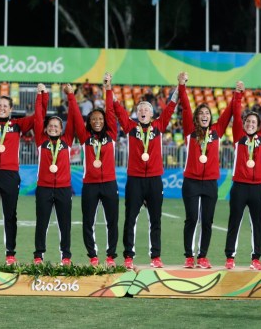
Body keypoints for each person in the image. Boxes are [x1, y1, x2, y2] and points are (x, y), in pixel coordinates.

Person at [0, 62, 47, 266]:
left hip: (9, 175)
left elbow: (39, 117)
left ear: (11, 109)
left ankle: (10, 254)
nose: (1, 108)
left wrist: (41, 96)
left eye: (5, 106)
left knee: (10, 216)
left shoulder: (17, 126)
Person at [112, 76, 179, 269]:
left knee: (155, 219)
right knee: (130, 218)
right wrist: (109, 88)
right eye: (140, 109)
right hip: (134, 179)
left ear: (152, 113)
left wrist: (180, 86)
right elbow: (117, 109)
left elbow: (171, 106)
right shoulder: (130, 127)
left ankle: (155, 256)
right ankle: (128, 256)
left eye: (146, 109)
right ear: (136, 113)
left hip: (154, 180)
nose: (143, 111)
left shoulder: (158, 126)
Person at [177, 72, 234, 269]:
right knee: (192, 218)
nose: (204, 116)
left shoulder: (217, 131)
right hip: (191, 182)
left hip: (210, 182)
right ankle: (188, 256)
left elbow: (229, 111)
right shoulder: (189, 132)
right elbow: (185, 106)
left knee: (207, 221)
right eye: (201, 114)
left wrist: (238, 93)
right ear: (196, 117)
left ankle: (202, 256)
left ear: (211, 118)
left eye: (207, 114)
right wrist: (182, 85)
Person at [68, 73, 119, 267]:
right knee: (88, 222)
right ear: (89, 122)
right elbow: (74, 113)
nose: (97, 121)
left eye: (100, 118)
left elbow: (111, 112)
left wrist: (108, 88)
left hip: (109, 183)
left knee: (111, 221)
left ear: (105, 121)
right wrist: (71, 96)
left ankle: (110, 256)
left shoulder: (112, 135)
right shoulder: (84, 137)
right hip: (89, 184)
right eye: (94, 119)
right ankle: (93, 256)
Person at [225, 81, 261, 271]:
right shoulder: (239, 137)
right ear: (244, 124)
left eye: (254, 122)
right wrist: (238, 93)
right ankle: (230, 257)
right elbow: (236, 114)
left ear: (258, 125)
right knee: (234, 221)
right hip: (239, 186)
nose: (250, 124)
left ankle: (256, 258)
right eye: (248, 122)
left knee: (257, 224)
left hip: (258, 187)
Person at [33, 83, 74, 265]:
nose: (53, 128)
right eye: (50, 125)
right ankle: (38, 256)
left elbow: (73, 119)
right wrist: (42, 95)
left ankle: (65, 256)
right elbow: (38, 117)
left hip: (64, 189)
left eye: (57, 126)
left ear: (62, 128)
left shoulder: (67, 141)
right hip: (44, 188)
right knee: (41, 224)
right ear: (46, 127)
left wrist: (70, 96)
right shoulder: (41, 141)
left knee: (64, 225)